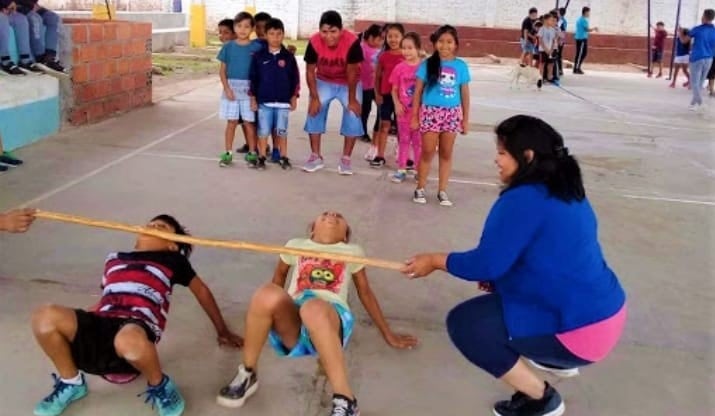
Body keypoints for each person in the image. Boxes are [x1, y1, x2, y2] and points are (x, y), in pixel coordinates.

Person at [402, 114, 627, 416]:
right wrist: (499, 279)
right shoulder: (564, 188)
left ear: (528, 156)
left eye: (502, 153)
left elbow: (485, 264)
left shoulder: (523, 199)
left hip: (579, 332)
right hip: (606, 313)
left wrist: (434, 260)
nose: (496, 160)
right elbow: (540, 256)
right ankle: (550, 357)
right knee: (498, 297)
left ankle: (541, 399)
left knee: (466, 324)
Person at [30, 214, 243, 416]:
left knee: (128, 339)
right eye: (150, 224)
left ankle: (159, 385)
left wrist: (222, 330)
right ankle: (71, 382)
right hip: (103, 321)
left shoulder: (173, 262)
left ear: (172, 245)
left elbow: (202, 291)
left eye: (162, 227)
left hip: (137, 326)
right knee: (45, 316)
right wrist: (79, 322)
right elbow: (109, 296)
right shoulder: (113, 259)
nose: (153, 226)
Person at [216, 211, 417, 416]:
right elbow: (278, 278)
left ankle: (346, 400)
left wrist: (387, 333)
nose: (331, 215)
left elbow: (365, 292)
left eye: (339, 216)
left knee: (313, 308)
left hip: (331, 317)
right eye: (325, 214)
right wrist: (263, 313)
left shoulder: (352, 251)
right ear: (312, 230)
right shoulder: (296, 244)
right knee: (266, 293)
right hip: (295, 318)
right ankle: (248, 373)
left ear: (345, 235)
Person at [411, 25, 471, 207]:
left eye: (449, 42)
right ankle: (420, 187)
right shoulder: (427, 64)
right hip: (430, 112)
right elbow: (418, 92)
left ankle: (442, 190)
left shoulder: (461, 66)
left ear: (456, 44)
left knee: (446, 153)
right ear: (435, 43)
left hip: (452, 115)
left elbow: (465, 94)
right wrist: (415, 116)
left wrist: (465, 119)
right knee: (428, 151)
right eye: (441, 42)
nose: (445, 46)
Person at [302, 10, 364, 175]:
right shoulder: (314, 42)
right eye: (324, 31)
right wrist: (314, 98)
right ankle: (315, 156)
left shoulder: (351, 42)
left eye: (333, 31)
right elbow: (309, 71)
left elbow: (352, 72)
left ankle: (346, 159)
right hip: (324, 80)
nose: (328, 36)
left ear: (341, 30)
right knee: (314, 111)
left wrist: (352, 99)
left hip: (348, 82)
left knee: (353, 113)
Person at [249, 18, 300, 171]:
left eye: (279, 34)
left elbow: (295, 79)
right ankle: (262, 157)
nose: (275, 37)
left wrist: (294, 97)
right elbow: (253, 78)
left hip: (283, 103)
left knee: (282, 131)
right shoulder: (259, 57)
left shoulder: (288, 57)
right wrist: (253, 98)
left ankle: (284, 157)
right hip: (264, 102)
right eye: (271, 34)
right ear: (265, 35)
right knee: (263, 131)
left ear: (283, 35)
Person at [217, 12, 263, 167]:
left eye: (246, 26)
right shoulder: (228, 47)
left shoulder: (256, 47)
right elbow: (222, 71)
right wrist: (227, 88)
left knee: (249, 122)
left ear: (252, 29)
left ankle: (252, 152)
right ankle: (228, 153)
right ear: (234, 27)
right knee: (232, 121)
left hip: (249, 91)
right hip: (232, 89)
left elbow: (260, 71)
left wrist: (255, 94)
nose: (242, 29)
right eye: (239, 26)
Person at [389, 32, 422, 183]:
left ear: (418, 49)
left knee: (418, 142)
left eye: (410, 48)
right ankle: (401, 169)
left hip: (419, 113)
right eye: (404, 48)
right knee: (403, 140)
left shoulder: (424, 68)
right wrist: (397, 104)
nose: (407, 51)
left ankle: (418, 170)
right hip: (403, 112)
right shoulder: (399, 68)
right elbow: (394, 89)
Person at [372, 23, 405, 168]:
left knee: (401, 126)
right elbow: (377, 76)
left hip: (402, 98)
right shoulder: (383, 56)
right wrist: (377, 93)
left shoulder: (407, 55)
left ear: (402, 37)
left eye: (396, 36)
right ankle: (380, 155)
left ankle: (403, 155)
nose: (393, 39)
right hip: (385, 95)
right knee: (384, 124)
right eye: (389, 36)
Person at [15, 0, 65, 73]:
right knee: (35, 19)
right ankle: (40, 58)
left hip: (29, 5)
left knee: (53, 18)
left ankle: (49, 57)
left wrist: (33, 4)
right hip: (12, 4)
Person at [683, 8, 715, 111]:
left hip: (697, 58)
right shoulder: (714, 31)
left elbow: (684, 41)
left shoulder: (697, 29)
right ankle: (693, 104)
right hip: (709, 59)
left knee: (694, 83)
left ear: (704, 17)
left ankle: (700, 103)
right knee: (700, 83)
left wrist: (680, 33)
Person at [0, 0, 42, 74]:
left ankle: (24, 60)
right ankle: (5, 61)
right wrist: (5, 4)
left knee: (21, 20)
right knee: (2, 19)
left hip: (6, 9)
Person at [358, 24, 383, 144]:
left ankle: (378, 131)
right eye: (379, 39)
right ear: (371, 38)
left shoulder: (381, 50)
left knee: (381, 108)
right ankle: (362, 131)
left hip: (377, 86)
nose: (381, 42)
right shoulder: (362, 48)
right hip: (364, 86)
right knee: (365, 109)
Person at [573, 6, 598, 75]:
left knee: (580, 53)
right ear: (585, 12)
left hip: (580, 38)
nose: (589, 14)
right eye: (588, 12)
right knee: (581, 53)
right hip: (582, 38)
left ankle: (577, 67)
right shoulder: (583, 20)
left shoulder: (579, 19)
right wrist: (594, 28)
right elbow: (587, 29)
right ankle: (576, 68)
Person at [537, 13, 559, 85]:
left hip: (550, 50)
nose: (552, 21)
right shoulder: (542, 29)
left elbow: (553, 40)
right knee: (542, 64)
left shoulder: (552, 30)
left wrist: (551, 49)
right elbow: (540, 40)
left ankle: (549, 78)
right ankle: (541, 78)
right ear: (546, 20)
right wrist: (546, 49)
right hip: (543, 50)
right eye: (550, 20)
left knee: (550, 64)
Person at [556, 7, 567, 76]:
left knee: (558, 55)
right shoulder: (562, 20)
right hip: (560, 40)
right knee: (558, 55)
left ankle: (559, 70)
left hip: (560, 40)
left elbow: (562, 31)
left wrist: (560, 40)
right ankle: (559, 69)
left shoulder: (561, 21)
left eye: (557, 12)